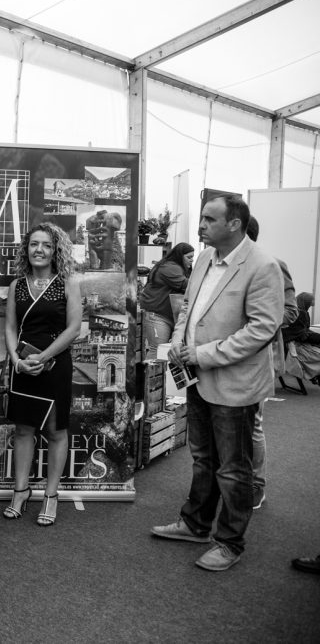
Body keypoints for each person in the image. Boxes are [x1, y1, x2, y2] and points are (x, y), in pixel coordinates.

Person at [151, 196, 283, 571]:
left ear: (235, 224)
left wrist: (203, 353)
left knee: (233, 468)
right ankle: (195, 524)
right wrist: (178, 343)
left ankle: (229, 542)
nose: (201, 225)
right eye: (202, 218)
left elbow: (262, 329)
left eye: (210, 219)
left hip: (233, 384)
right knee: (203, 458)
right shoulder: (206, 259)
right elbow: (188, 309)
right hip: (196, 378)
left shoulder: (262, 266)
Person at [2, 223, 82, 526]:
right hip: (22, 366)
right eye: (34, 244)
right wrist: (15, 360)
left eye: (46, 245)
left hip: (54, 365)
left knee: (55, 431)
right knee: (23, 430)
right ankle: (21, 491)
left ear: (55, 250)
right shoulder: (16, 285)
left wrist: (44, 356)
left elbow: (74, 328)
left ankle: (51, 495)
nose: (39, 250)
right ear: (27, 249)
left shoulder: (68, 283)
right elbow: (10, 327)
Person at [244, 216, 297, 510]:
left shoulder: (273, 265)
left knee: (253, 426)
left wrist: (254, 325)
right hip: (216, 359)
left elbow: (290, 313)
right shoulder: (213, 265)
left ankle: (256, 485)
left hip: (255, 358)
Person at [139, 242, 195, 359]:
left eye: (192, 257)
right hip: (158, 316)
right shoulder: (170, 267)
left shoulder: (175, 267)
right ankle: (149, 376)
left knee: (161, 350)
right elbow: (188, 286)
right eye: (189, 257)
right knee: (157, 350)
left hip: (165, 315)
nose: (191, 260)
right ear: (180, 256)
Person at [284, 292, 320, 383]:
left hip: (298, 343)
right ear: (307, 301)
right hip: (293, 346)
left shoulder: (303, 312)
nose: (314, 302)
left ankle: (315, 376)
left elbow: (304, 331)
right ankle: (314, 375)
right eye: (312, 300)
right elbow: (300, 335)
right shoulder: (299, 314)